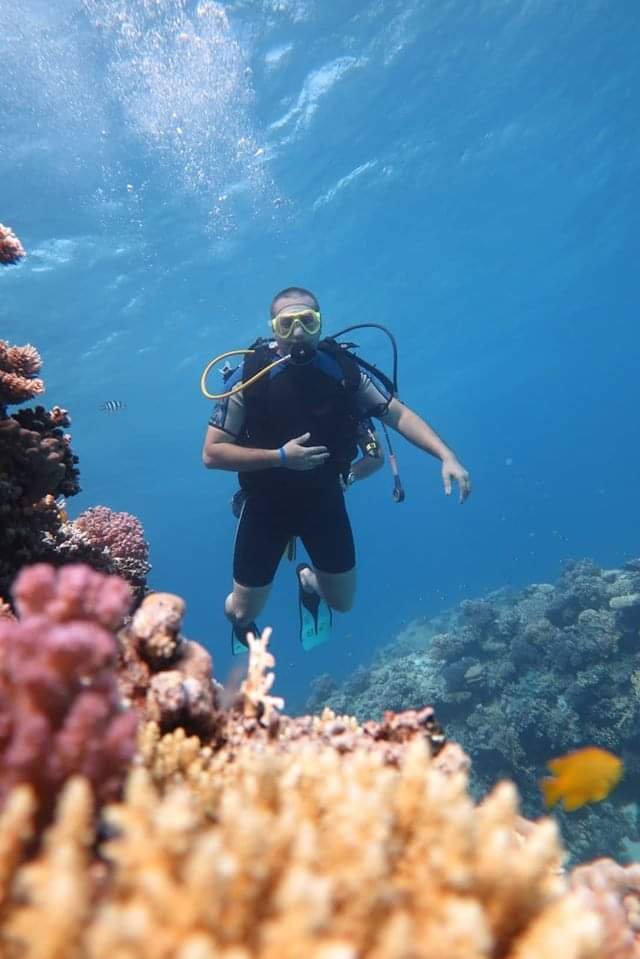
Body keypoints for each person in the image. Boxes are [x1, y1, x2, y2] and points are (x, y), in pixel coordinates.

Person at [202, 286, 471, 650]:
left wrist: (446, 455)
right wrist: (280, 457)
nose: (298, 332)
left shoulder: (343, 371)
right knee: (241, 613)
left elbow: (398, 414)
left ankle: (309, 583)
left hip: (324, 502)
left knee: (343, 604)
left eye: (307, 321)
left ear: (320, 324)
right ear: (273, 328)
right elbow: (212, 453)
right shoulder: (250, 378)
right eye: (287, 324)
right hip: (265, 506)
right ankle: (241, 619)